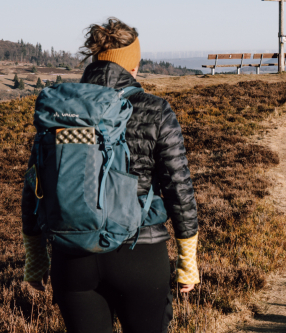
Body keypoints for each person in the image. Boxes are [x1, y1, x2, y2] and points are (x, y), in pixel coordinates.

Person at [21, 17, 200, 333]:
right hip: (140, 254)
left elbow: (35, 184)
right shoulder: (155, 109)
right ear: (133, 66)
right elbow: (178, 186)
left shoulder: (62, 111)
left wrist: (35, 257)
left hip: (71, 255)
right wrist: (188, 262)